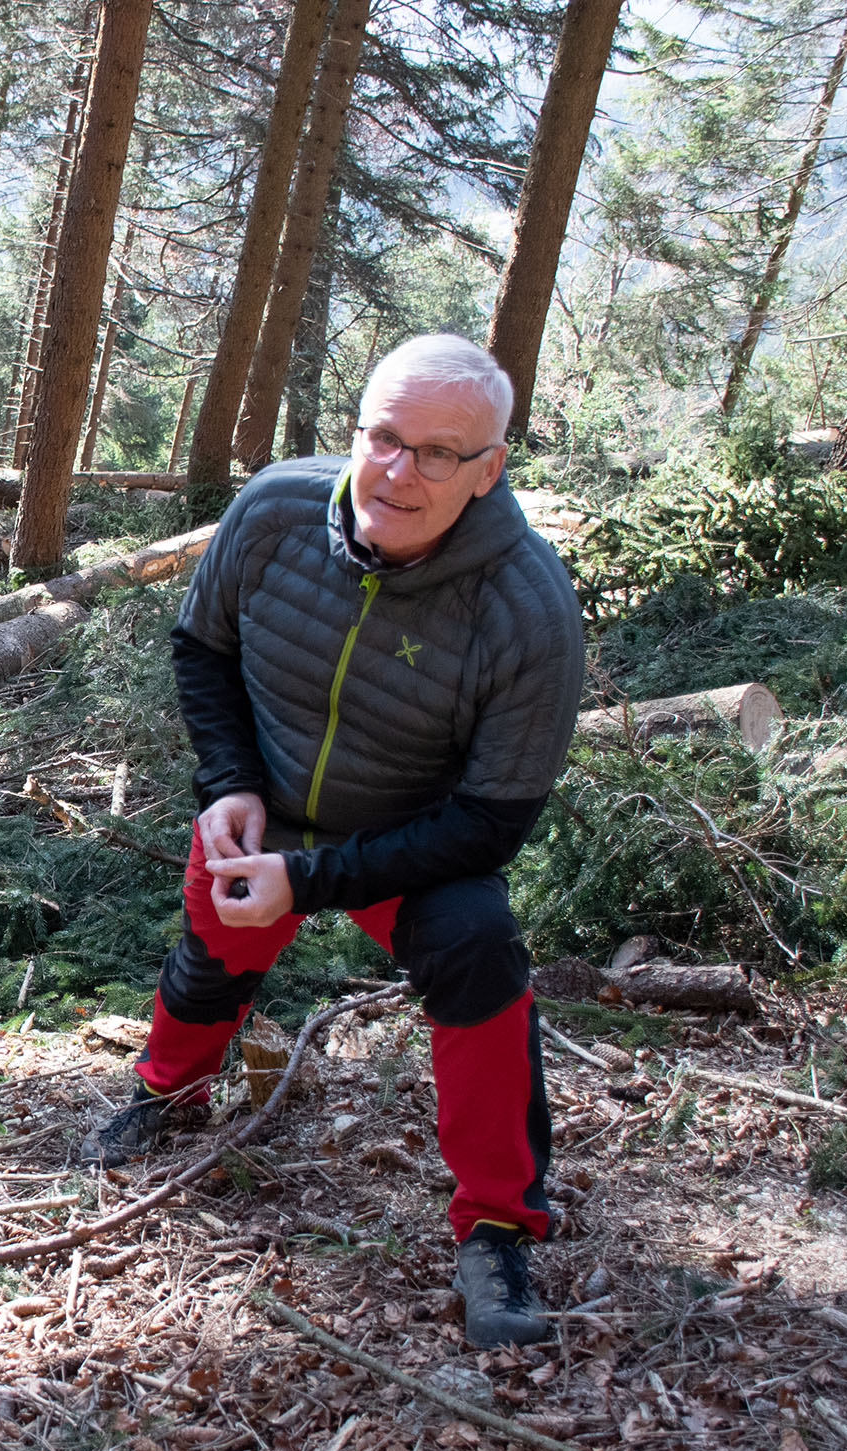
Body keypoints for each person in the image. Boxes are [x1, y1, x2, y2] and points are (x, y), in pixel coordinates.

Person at [83, 333, 586, 1349]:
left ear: (490, 469)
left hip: (414, 840)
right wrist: (227, 785)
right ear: (355, 430)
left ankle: (497, 1228)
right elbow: (202, 647)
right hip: (266, 811)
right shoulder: (272, 512)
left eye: (441, 453)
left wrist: (307, 881)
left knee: (478, 948)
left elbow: (494, 821)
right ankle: (167, 1087)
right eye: (386, 437)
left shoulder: (526, 608)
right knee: (209, 958)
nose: (400, 471)